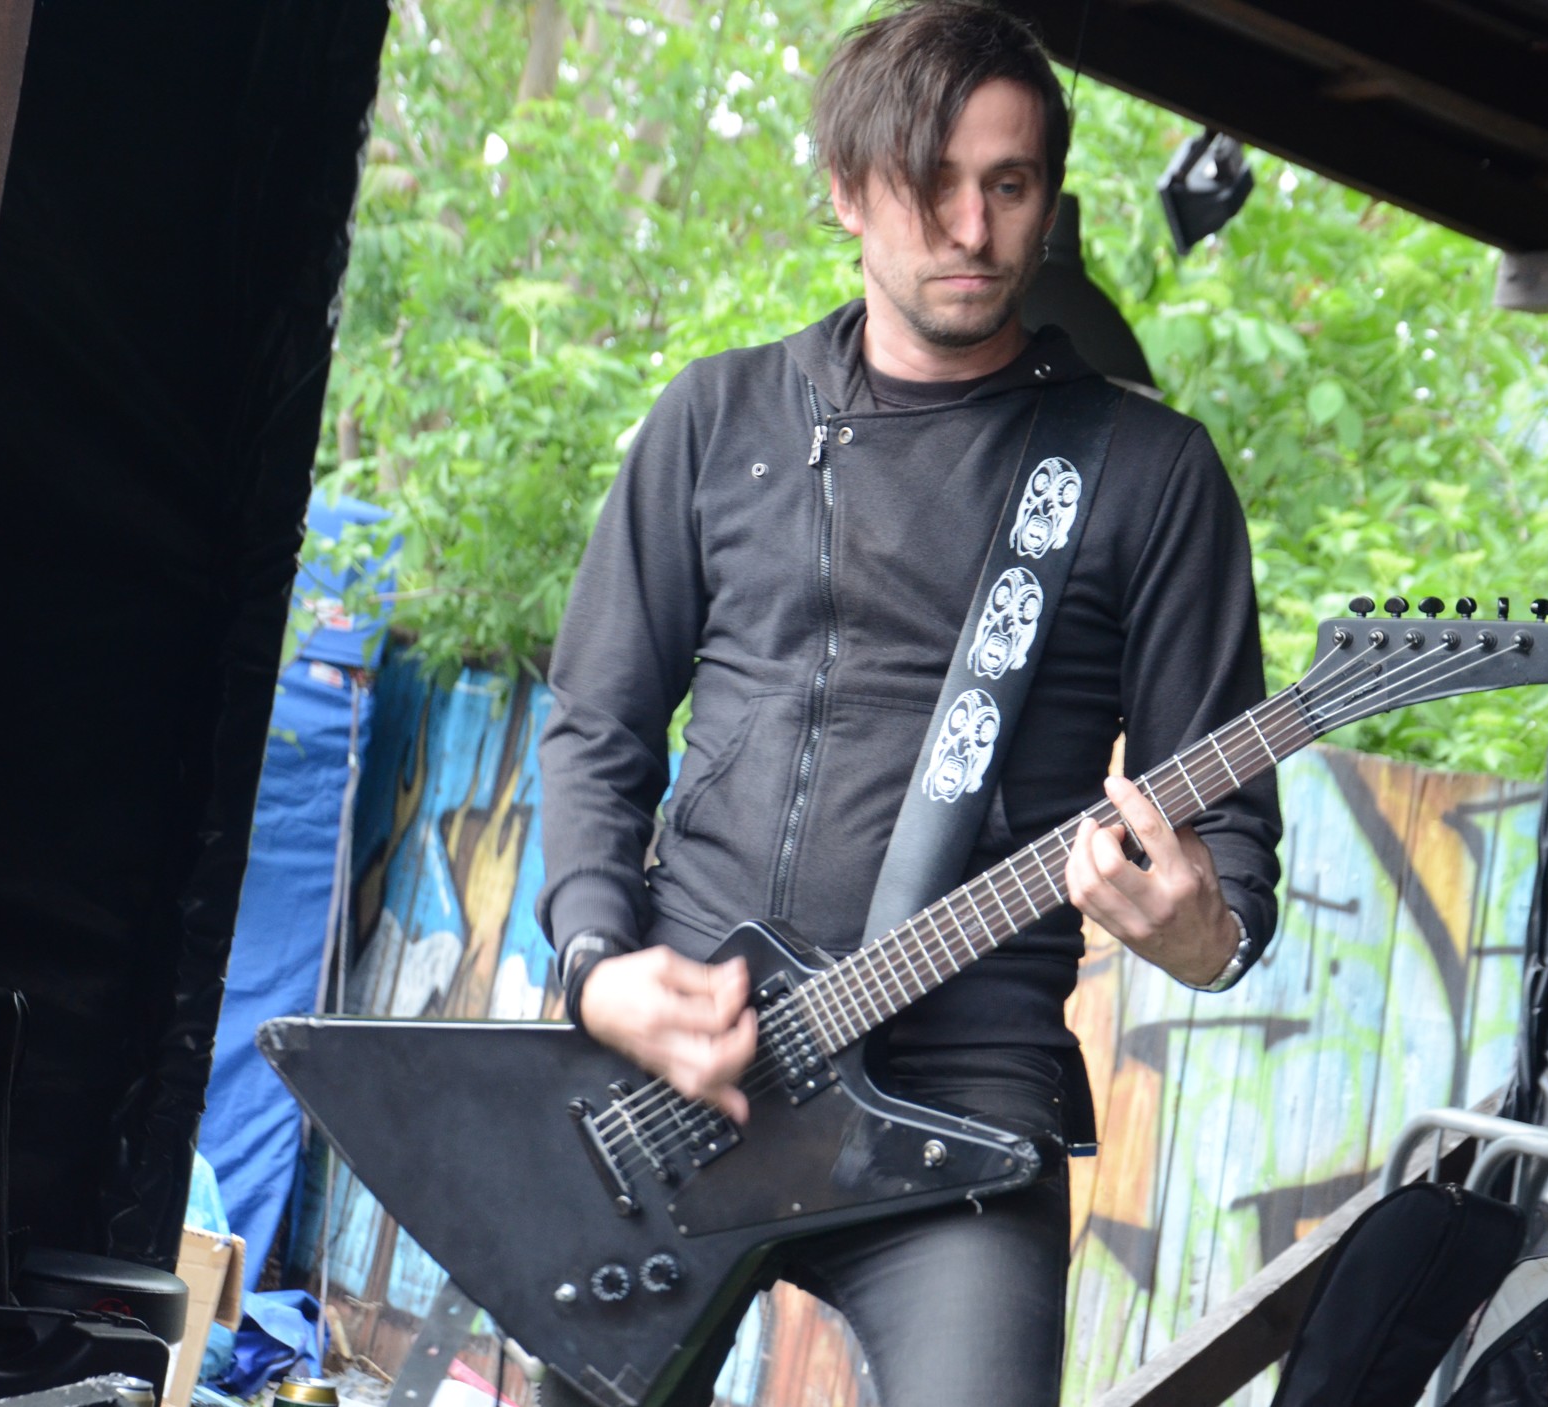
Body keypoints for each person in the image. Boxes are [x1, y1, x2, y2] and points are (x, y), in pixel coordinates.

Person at [535, 4, 1282, 1402]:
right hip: (682, 1065)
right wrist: (596, 964)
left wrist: (1201, 933)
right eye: (930, 184)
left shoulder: (1147, 473)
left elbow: (1228, 850)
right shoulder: (718, 420)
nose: (972, 229)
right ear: (844, 188)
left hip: (962, 1099)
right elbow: (595, 730)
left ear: (1049, 198)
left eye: (1010, 185)